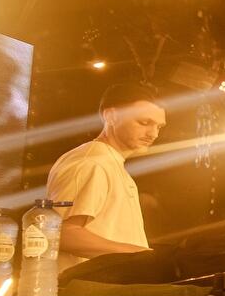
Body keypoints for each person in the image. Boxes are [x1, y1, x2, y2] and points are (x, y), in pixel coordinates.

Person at [48, 82, 160, 275]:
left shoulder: (109, 163)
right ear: (111, 116)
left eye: (159, 126)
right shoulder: (93, 162)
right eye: (144, 122)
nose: (153, 133)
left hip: (103, 287)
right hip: (84, 290)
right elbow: (61, 233)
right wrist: (142, 255)